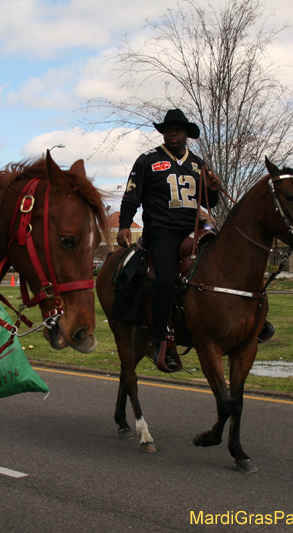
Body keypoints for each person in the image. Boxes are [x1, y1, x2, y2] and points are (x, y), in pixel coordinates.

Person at [116, 109, 220, 371]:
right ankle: (160, 338)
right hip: (162, 230)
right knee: (165, 279)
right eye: (169, 129)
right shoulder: (147, 160)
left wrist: (213, 190)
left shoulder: (198, 163)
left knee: (224, 260)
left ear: (187, 134)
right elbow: (131, 196)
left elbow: (210, 203)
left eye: (179, 129)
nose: (174, 133)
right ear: (163, 132)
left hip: (195, 228)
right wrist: (124, 225)